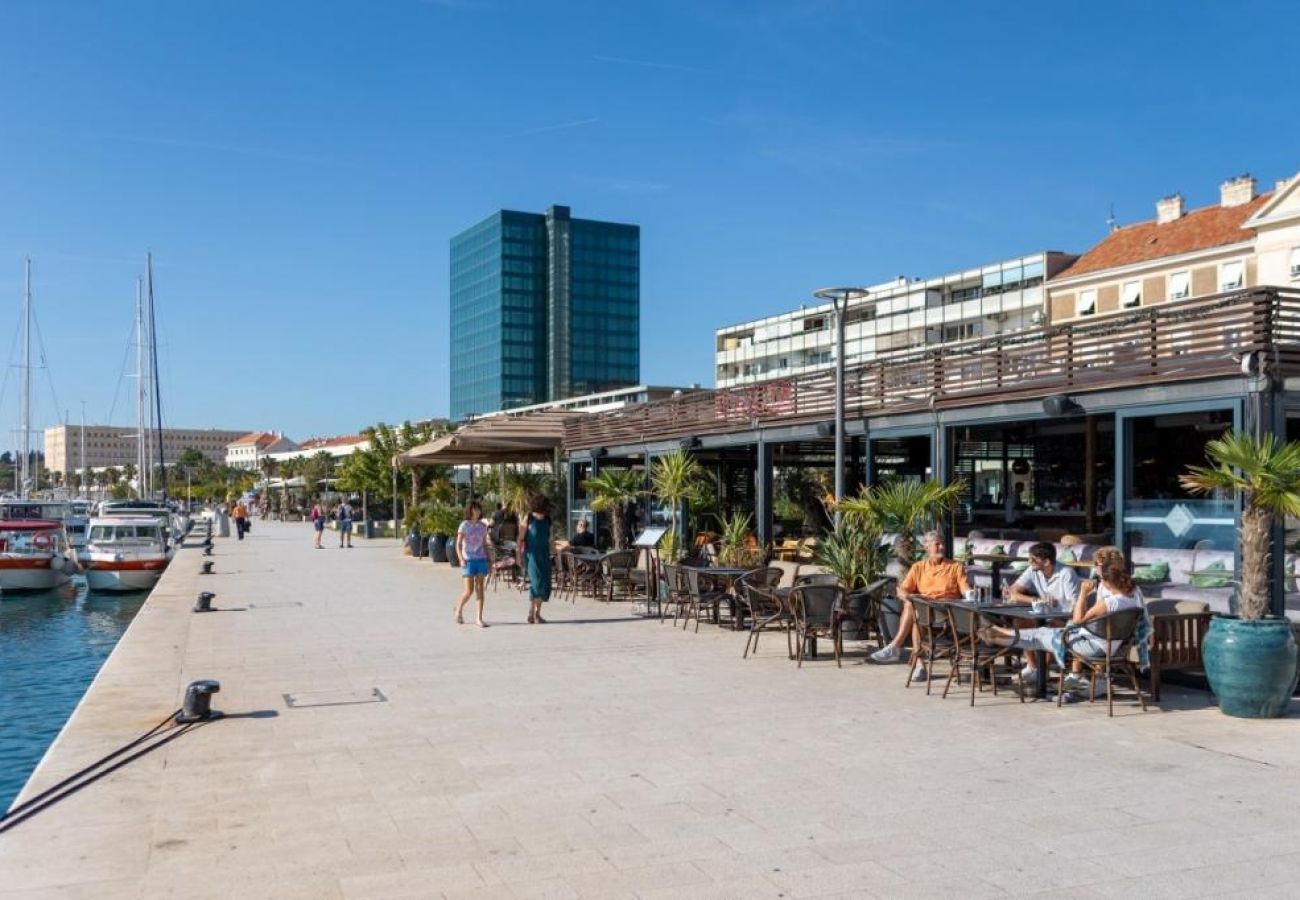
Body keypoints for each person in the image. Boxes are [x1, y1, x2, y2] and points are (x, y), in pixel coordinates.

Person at [982, 548, 1144, 697]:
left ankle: (1001, 636)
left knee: (1043, 636)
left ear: (1108, 570)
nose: (1094, 567)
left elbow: (1078, 619)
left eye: (1096, 564)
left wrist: (1083, 593)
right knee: (1047, 632)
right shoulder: (1134, 592)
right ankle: (1005, 634)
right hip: (1116, 642)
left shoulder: (1109, 600)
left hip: (1094, 646)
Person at [870, 530, 970, 682]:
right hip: (925, 610)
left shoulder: (955, 567)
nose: (941, 547)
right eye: (937, 544)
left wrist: (971, 593)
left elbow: (965, 589)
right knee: (912, 606)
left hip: (947, 612)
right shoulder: (919, 567)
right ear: (927, 547)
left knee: (914, 612)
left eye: (942, 544)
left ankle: (897, 647)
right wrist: (907, 596)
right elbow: (902, 590)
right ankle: (919, 664)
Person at [1003, 541, 1081, 682]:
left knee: (1051, 627)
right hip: (1043, 614)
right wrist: (1035, 600)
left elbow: (1075, 606)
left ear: (1046, 562)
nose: (1029, 561)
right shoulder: (1033, 570)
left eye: (1033, 559)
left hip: (1064, 618)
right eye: (1029, 558)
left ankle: (1043, 670)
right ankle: (1033, 667)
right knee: (1019, 622)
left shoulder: (1066, 573)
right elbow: (1012, 592)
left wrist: (1058, 603)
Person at [454, 501, 492, 627]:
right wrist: (461, 558)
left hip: (481, 558)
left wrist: (489, 559)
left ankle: (479, 618)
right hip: (468, 559)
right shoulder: (464, 525)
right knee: (468, 591)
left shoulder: (482, 526)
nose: (477, 511)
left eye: (479, 509)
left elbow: (485, 544)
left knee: (480, 588)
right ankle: (458, 608)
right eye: (475, 509)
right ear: (470, 510)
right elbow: (458, 544)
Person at [521, 494, 553, 624]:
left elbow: (551, 539)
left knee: (545, 585)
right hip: (531, 555)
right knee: (537, 583)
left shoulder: (548, 520)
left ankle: (535, 613)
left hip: (545, 554)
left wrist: (556, 553)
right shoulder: (529, 518)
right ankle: (534, 614)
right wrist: (519, 556)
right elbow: (521, 538)